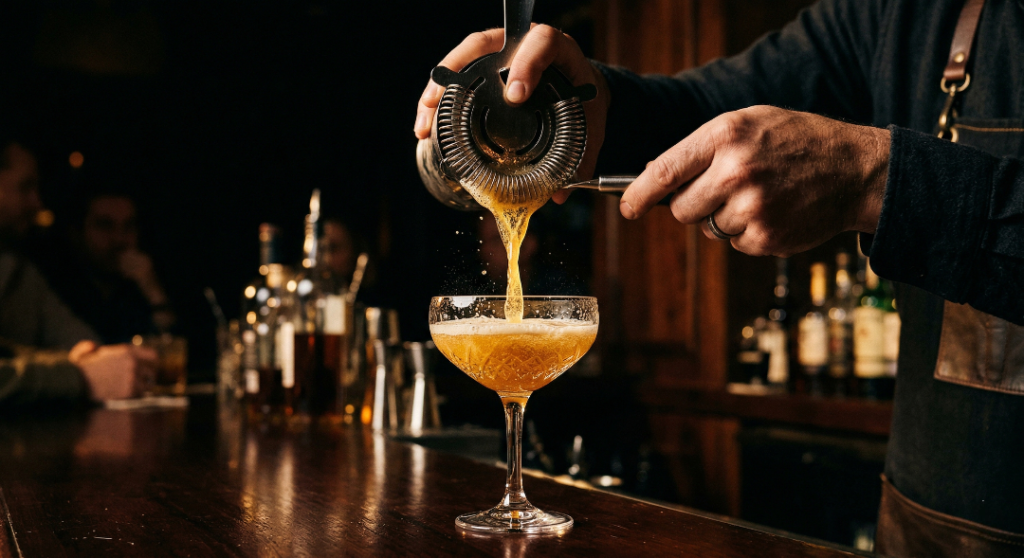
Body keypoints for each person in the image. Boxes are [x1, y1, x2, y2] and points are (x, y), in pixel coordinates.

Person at [415, 0, 1024, 555]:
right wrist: (593, 101)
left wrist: (881, 180)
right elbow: (709, 108)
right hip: (922, 525)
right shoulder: (908, 13)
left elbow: (878, 176)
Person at [0, 135, 157, 406]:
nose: (37, 204)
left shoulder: (19, 270)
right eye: (26, 188)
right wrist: (80, 377)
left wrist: (90, 363)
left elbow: (83, 345)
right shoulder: (56, 271)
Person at [45, 188, 176, 344]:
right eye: (105, 225)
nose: (119, 239)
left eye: (128, 226)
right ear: (76, 233)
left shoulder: (139, 287)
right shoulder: (55, 288)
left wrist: (154, 293)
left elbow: (174, 348)